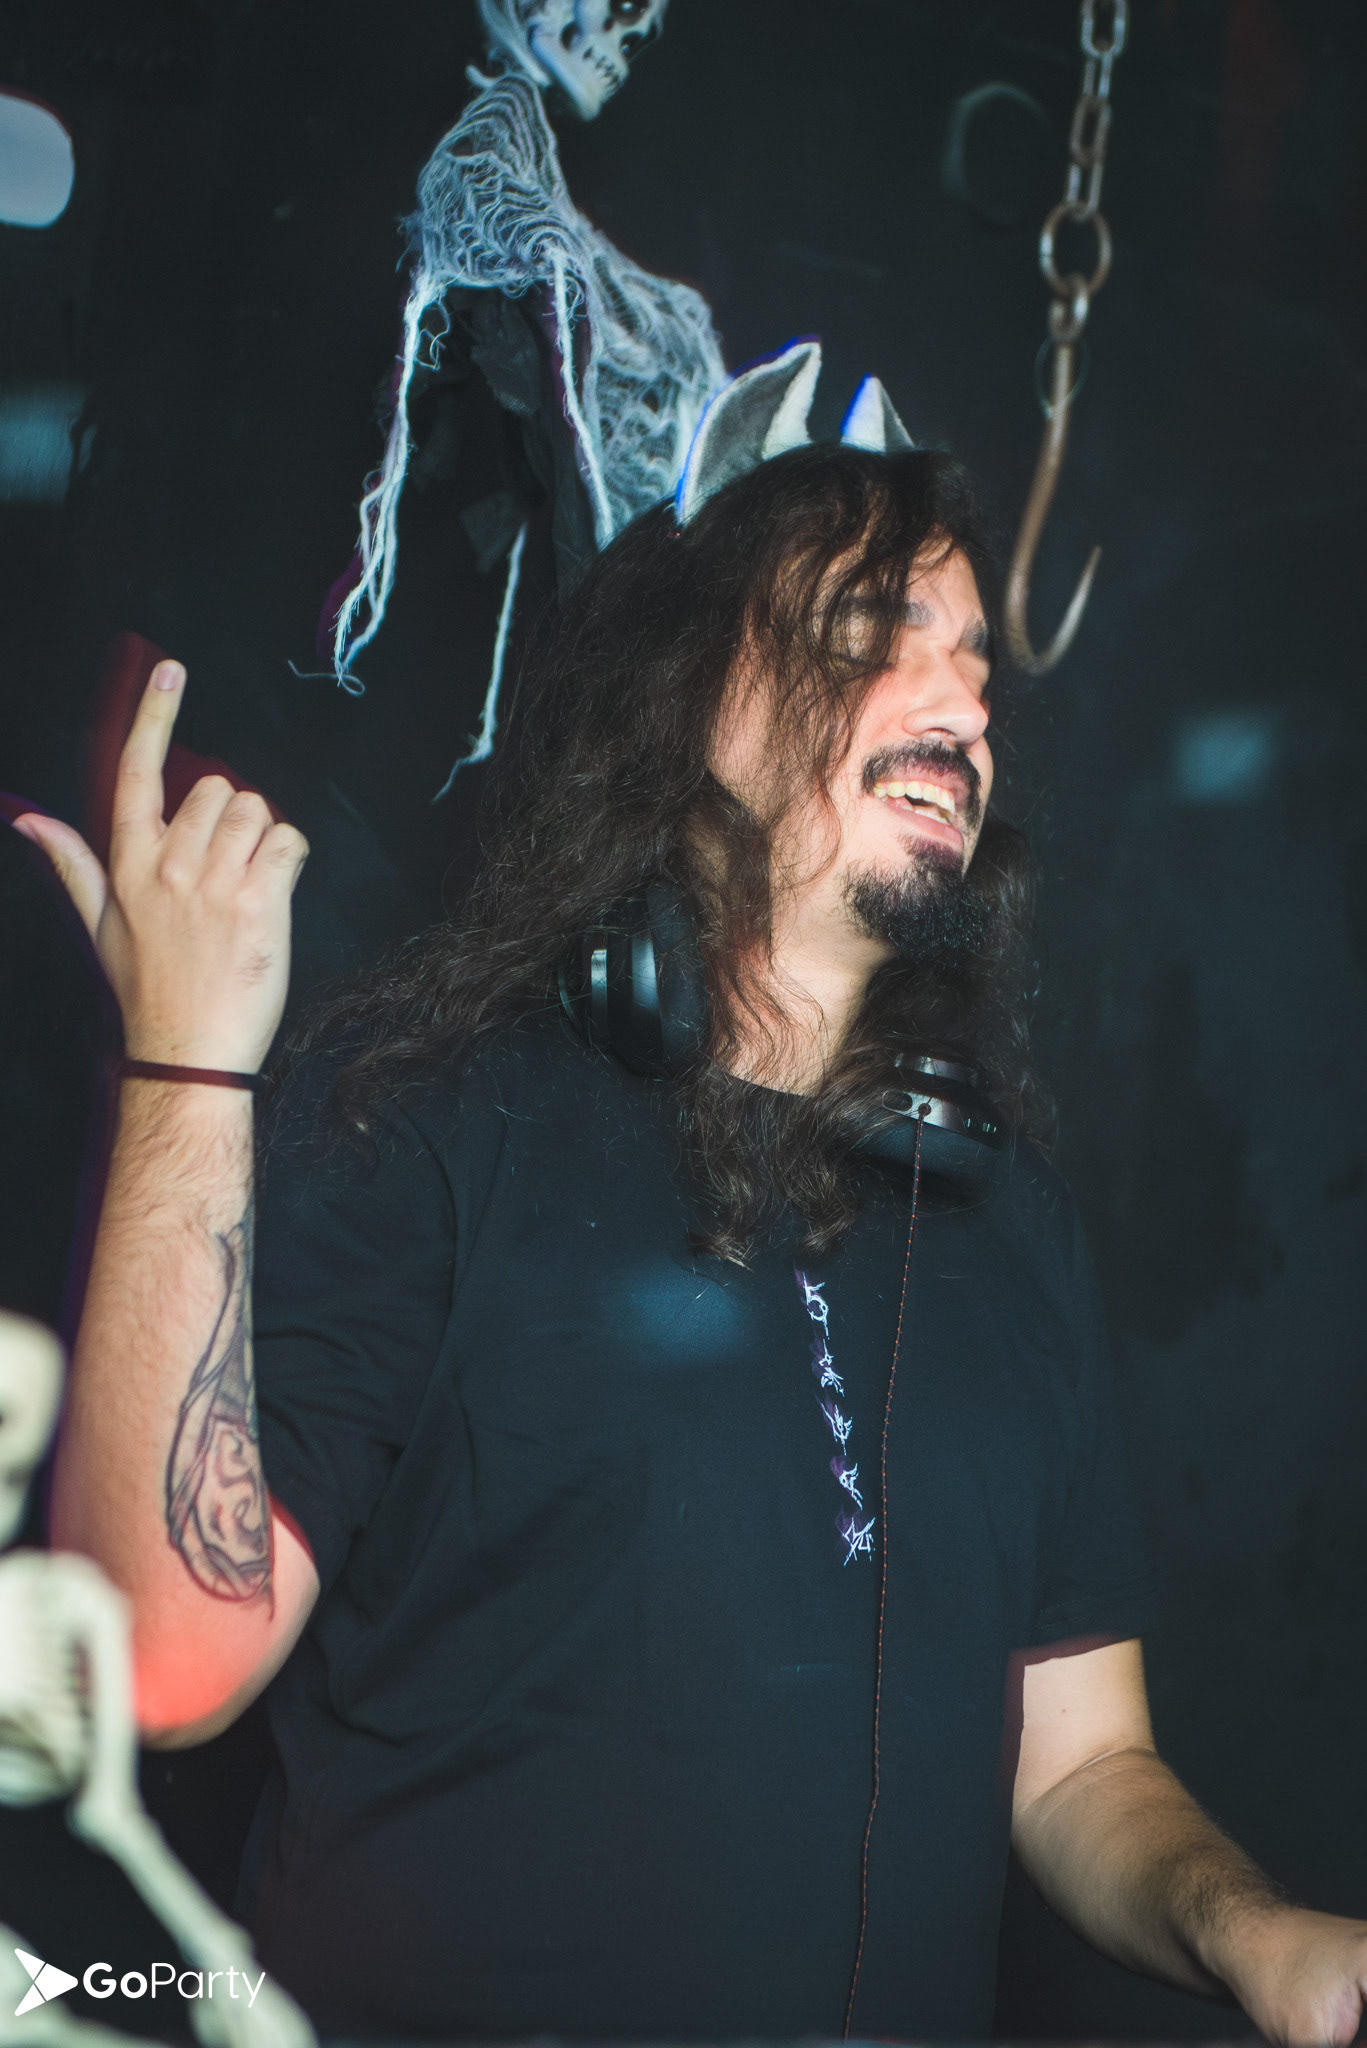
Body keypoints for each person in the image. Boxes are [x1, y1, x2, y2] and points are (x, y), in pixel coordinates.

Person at [19, 432, 1367, 2046]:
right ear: (694, 700)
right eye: (874, 632)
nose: (961, 704)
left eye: (975, 666)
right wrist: (187, 1066)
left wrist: (1259, 1936)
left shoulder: (1008, 1225)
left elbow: (1083, 1766)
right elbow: (154, 1653)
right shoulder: (438, 1119)